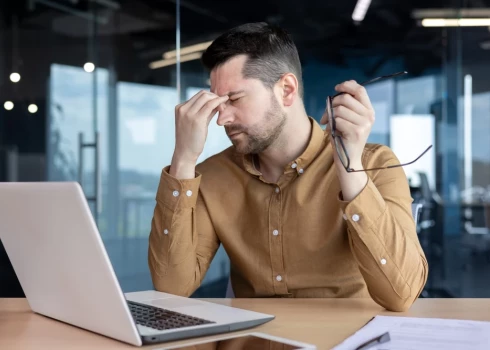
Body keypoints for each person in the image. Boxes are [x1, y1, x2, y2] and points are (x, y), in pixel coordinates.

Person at [148, 22, 428, 312]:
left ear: (286, 90)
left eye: (234, 99)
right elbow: (172, 286)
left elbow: (401, 293)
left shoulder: (375, 164)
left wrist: (350, 165)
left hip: (343, 340)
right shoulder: (213, 175)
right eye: (218, 104)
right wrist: (183, 157)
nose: (221, 119)